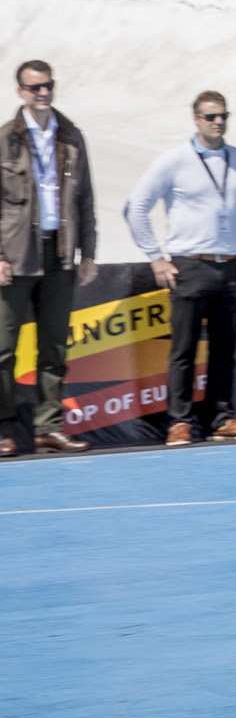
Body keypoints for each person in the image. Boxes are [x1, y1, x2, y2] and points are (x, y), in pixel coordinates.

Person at [124, 90, 236, 445]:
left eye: (223, 116)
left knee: (225, 349)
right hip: (189, 266)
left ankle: (223, 419)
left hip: (231, 267)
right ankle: (179, 423)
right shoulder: (174, 160)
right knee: (184, 350)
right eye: (210, 117)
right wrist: (155, 257)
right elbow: (137, 207)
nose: (218, 122)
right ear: (196, 120)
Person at [1, 60, 100, 456]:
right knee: (4, 349)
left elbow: (86, 198)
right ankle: (4, 430)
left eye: (48, 85)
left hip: (59, 252)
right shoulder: (6, 138)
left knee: (55, 348)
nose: (43, 93)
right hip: (16, 255)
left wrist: (88, 252)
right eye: (35, 87)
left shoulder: (70, 135)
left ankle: (49, 428)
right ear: (21, 92)